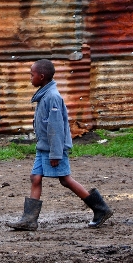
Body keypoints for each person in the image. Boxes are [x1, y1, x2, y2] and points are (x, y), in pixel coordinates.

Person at [7, 59, 113, 231]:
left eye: (31, 75)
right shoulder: (45, 95)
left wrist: (56, 154)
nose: (30, 78)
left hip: (53, 148)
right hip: (44, 147)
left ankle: (100, 209)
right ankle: (29, 220)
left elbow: (56, 128)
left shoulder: (52, 97)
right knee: (35, 177)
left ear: (41, 77)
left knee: (65, 179)